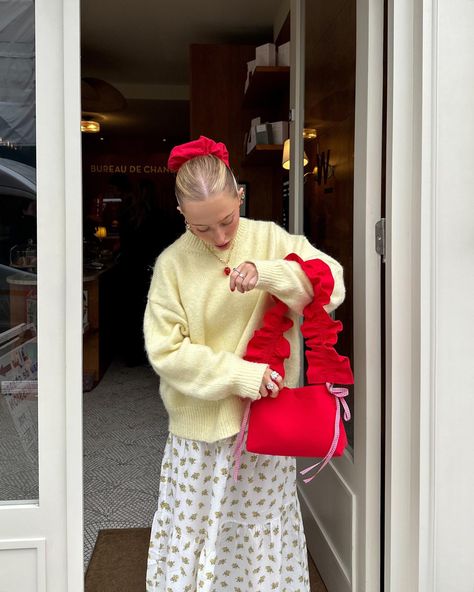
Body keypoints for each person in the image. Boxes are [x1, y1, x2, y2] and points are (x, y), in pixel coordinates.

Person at [143, 136, 345, 591]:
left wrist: (270, 273)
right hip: (199, 434)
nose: (220, 237)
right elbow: (165, 351)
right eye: (201, 228)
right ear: (181, 216)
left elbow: (331, 288)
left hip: (264, 428)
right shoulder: (172, 264)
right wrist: (242, 376)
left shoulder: (271, 238)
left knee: (258, 537)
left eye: (227, 220)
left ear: (240, 195)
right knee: (197, 534)